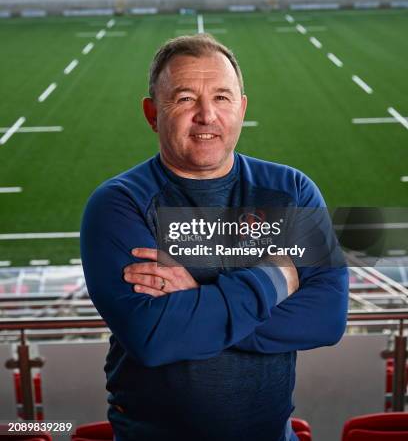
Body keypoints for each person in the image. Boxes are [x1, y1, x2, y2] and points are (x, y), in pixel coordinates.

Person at [80, 34, 349, 441]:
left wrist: (194, 304)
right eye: (185, 99)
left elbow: (326, 317)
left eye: (222, 98)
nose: (207, 115)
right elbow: (152, 337)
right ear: (153, 113)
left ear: (241, 109)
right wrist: (276, 279)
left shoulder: (291, 190)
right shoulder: (119, 204)